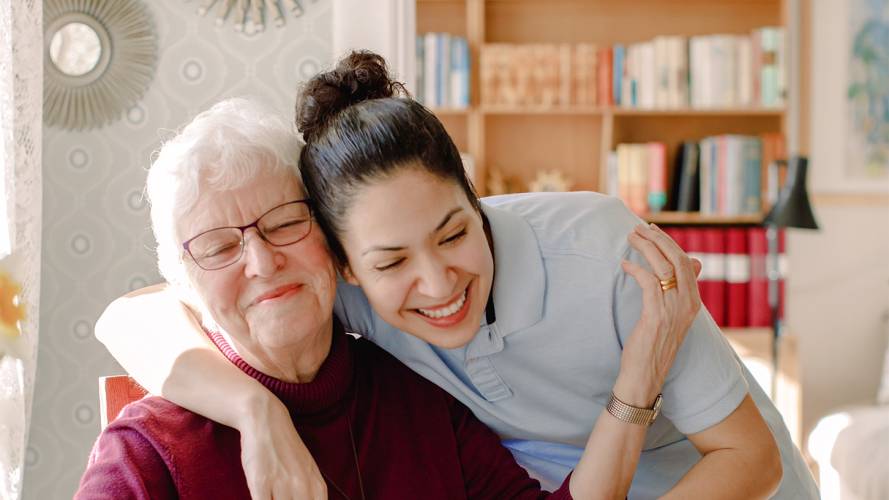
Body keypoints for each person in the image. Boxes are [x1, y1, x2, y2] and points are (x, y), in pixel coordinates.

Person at [96, 52, 814, 498]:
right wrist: (259, 415)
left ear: (478, 202)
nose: (437, 285)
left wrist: (642, 373)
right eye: (391, 262)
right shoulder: (339, 296)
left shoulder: (607, 259)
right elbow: (132, 315)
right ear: (347, 264)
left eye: (453, 234)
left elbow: (750, 464)